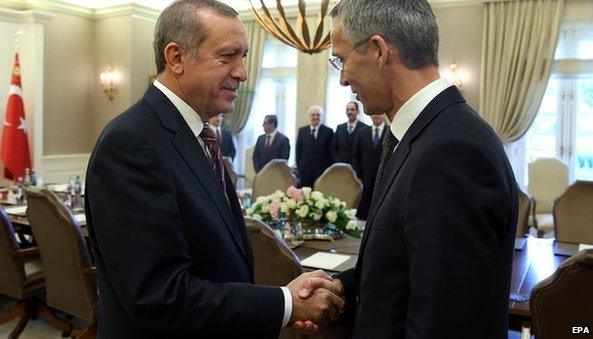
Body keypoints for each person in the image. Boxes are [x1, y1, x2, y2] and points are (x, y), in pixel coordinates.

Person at [84, 1, 344, 338]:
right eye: (227, 56)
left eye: (244, 56)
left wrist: (278, 301)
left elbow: (218, 261)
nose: (242, 72)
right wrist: (286, 303)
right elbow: (159, 297)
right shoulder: (132, 144)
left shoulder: (194, 137)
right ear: (177, 57)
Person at [296, 0, 518, 338]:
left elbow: (444, 320)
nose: (341, 79)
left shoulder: (452, 150)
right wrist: (340, 290)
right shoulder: (421, 133)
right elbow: (405, 267)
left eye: (341, 60)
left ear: (378, 50)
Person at [351, 114, 386, 220]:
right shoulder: (362, 132)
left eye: (379, 113)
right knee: (363, 213)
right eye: (374, 114)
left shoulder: (390, 132)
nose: (377, 116)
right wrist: (358, 175)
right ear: (370, 116)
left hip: (383, 178)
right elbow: (356, 155)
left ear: (384, 115)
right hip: (365, 178)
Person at [296, 105, 334, 188]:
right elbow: (298, 152)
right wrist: (300, 169)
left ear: (321, 117)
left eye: (318, 115)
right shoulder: (302, 131)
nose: (315, 117)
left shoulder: (328, 132)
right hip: (305, 173)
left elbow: (331, 153)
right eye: (313, 115)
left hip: (322, 173)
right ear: (310, 116)